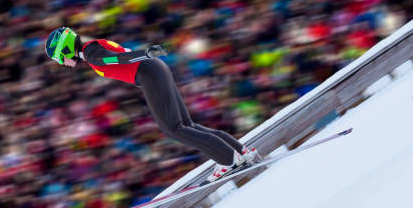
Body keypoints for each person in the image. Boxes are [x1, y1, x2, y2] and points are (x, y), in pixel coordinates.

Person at [44, 27, 262, 182]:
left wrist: (145, 53)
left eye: (60, 59)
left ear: (65, 50)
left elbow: (117, 60)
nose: (64, 64)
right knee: (187, 125)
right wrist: (146, 55)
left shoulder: (92, 55)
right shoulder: (91, 49)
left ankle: (229, 160)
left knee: (173, 129)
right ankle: (240, 151)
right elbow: (118, 59)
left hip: (148, 72)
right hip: (152, 70)